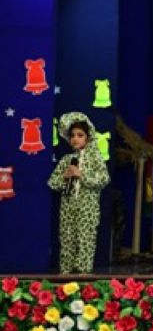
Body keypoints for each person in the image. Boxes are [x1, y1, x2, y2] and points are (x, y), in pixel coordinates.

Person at [48, 112, 109, 274]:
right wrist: (64, 177)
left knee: (85, 239)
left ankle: (84, 274)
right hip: (68, 206)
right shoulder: (66, 160)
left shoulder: (95, 158)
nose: (75, 139)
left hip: (87, 207)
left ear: (88, 138)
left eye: (80, 135)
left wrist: (81, 174)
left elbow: (104, 179)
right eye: (73, 135)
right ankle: (65, 272)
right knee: (67, 238)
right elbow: (52, 183)